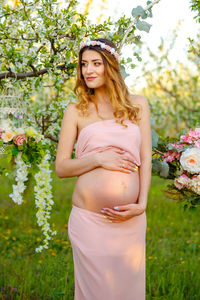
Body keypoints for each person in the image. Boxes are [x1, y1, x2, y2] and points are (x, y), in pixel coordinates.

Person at [55, 38, 152, 300]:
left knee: (127, 292)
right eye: (84, 64)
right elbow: (62, 167)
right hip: (89, 222)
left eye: (96, 63)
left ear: (111, 66)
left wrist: (142, 204)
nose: (89, 70)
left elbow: (145, 158)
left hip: (130, 221)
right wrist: (98, 159)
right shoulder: (75, 111)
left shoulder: (138, 105)